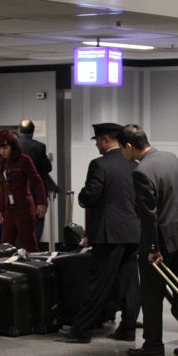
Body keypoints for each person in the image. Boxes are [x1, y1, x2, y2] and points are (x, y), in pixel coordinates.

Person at [118, 124, 178, 356]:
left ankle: (153, 345)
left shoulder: (142, 171)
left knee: (151, 294)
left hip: (159, 242)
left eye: (122, 149)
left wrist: (153, 248)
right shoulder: (171, 158)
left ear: (128, 146)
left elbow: (148, 214)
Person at [61, 123, 141, 344]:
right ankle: (128, 328)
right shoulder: (135, 164)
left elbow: (91, 195)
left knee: (98, 282)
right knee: (130, 283)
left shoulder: (99, 164)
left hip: (108, 234)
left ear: (106, 140)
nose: (96, 144)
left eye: (96, 140)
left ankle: (81, 329)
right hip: (132, 231)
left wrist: (82, 197)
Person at [0, 130, 46, 252]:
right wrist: (0, 209)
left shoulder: (24, 160)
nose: (3, 151)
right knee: (6, 244)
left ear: (12, 145)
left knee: (28, 243)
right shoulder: (2, 163)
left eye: (5, 148)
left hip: (24, 207)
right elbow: (3, 188)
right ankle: (6, 268)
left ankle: (36, 267)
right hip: (9, 209)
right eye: (0, 148)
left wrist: (41, 202)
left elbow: (37, 181)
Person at [19, 119, 58, 244]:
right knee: (37, 221)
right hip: (36, 192)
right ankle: (33, 251)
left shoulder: (12, 146)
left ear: (19, 131)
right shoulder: (39, 147)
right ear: (32, 132)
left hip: (17, 192)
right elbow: (48, 168)